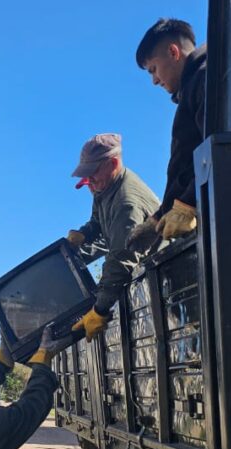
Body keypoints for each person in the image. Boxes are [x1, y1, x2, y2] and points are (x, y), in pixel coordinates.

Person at [65, 133, 161, 342]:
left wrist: (99, 310)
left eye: (92, 173)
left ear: (113, 163)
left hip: (164, 277)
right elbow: (98, 221)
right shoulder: (104, 187)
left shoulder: (127, 202)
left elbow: (120, 258)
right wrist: (85, 234)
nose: (89, 181)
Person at [128, 18, 208, 246]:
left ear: (173, 52)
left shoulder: (205, 79)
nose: (154, 81)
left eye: (153, 69)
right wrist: (158, 218)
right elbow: (185, 167)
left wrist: (189, 204)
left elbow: (214, 152)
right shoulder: (191, 89)